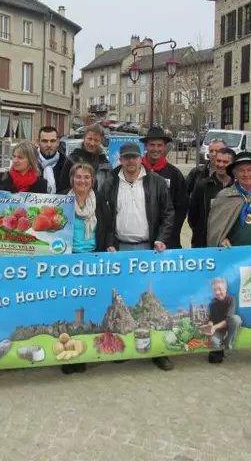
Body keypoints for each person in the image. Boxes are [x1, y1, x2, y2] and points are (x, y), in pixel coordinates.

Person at [101, 142, 176, 372]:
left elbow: (168, 212)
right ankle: (123, 346)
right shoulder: (111, 183)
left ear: (140, 158)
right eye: (126, 158)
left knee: (149, 304)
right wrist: (109, 243)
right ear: (120, 160)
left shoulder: (156, 182)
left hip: (148, 249)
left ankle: (157, 351)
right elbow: (104, 217)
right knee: (122, 301)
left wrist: (162, 238)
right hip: (120, 249)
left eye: (134, 157)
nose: (130, 161)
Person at [206, 151, 251, 362]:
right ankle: (218, 346)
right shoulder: (225, 196)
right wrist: (221, 239)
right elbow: (216, 227)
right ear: (234, 173)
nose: (246, 174)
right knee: (225, 302)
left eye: (250, 170)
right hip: (232, 260)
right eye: (241, 170)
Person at [63, 162, 113, 375]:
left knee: (91, 306)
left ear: (92, 180)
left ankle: (89, 350)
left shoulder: (99, 201)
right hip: (68, 262)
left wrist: (110, 245)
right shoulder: (61, 200)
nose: (82, 181)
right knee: (71, 308)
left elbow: (109, 227)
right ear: (71, 179)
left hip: (94, 260)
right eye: (78, 177)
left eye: (87, 177)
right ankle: (69, 356)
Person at [140, 126, 188, 249]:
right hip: (141, 236)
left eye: (159, 145)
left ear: (165, 147)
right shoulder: (136, 171)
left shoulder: (174, 174)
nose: (155, 149)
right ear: (146, 146)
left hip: (167, 238)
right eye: (152, 145)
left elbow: (181, 208)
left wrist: (169, 235)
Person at [188, 148, 236, 248]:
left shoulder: (238, 187)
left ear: (233, 164)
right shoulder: (202, 186)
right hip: (204, 245)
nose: (220, 165)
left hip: (231, 244)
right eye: (218, 161)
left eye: (225, 162)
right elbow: (193, 216)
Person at [57, 123, 111, 193]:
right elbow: (62, 187)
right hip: (74, 201)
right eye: (90, 139)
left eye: (96, 140)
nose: (92, 143)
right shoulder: (73, 159)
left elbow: (108, 190)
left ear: (101, 141)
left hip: (97, 202)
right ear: (84, 137)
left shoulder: (105, 164)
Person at [202, 278, 242, 364]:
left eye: (219, 289)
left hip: (230, 326)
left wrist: (214, 327)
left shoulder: (231, 299)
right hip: (219, 329)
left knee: (236, 319)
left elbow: (229, 319)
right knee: (214, 356)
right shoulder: (212, 304)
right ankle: (220, 349)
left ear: (225, 289)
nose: (217, 292)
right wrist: (209, 326)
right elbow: (211, 319)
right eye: (215, 290)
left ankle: (228, 344)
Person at [37, 126, 67, 194]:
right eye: (45, 141)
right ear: (38, 142)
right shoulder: (29, 161)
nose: (49, 145)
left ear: (58, 142)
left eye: (52, 141)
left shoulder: (66, 163)